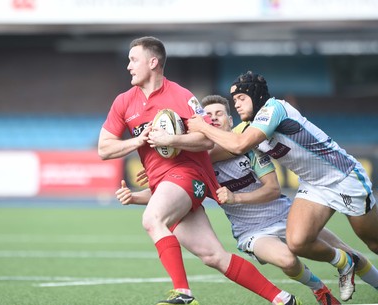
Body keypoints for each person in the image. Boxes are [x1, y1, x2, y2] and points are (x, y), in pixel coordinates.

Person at [98, 38, 302, 305]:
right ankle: (283, 299)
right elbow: (104, 149)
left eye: (133, 60)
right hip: (163, 185)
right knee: (213, 256)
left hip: (188, 175)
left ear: (153, 62)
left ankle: (183, 294)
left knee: (152, 219)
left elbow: (207, 140)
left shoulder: (182, 96)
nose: (128, 66)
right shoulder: (124, 102)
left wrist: (171, 140)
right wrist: (138, 141)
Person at [119, 95, 378, 305]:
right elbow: (174, 192)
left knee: (350, 253)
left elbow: (272, 190)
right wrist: (135, 197)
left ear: (230, 119)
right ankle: (320, 291)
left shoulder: (248, 146)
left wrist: (234, 197)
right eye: (208, 115)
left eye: (220, 113)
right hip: (250, 231)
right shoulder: (195, 162)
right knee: (287, 260)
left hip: (285, 214)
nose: (214, 118)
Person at [187, 71, 378, 302]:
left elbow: (239, 145)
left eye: (240, 99)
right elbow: (212, 154)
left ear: (255, 95)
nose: (237, 105)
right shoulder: (248, 127)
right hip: (314, 186)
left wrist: (202, 126)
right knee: (298, 242)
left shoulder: (273, 109)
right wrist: (168, 156)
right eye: (234, 101)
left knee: (373, 242)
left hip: (343, 177)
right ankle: (343, 263)